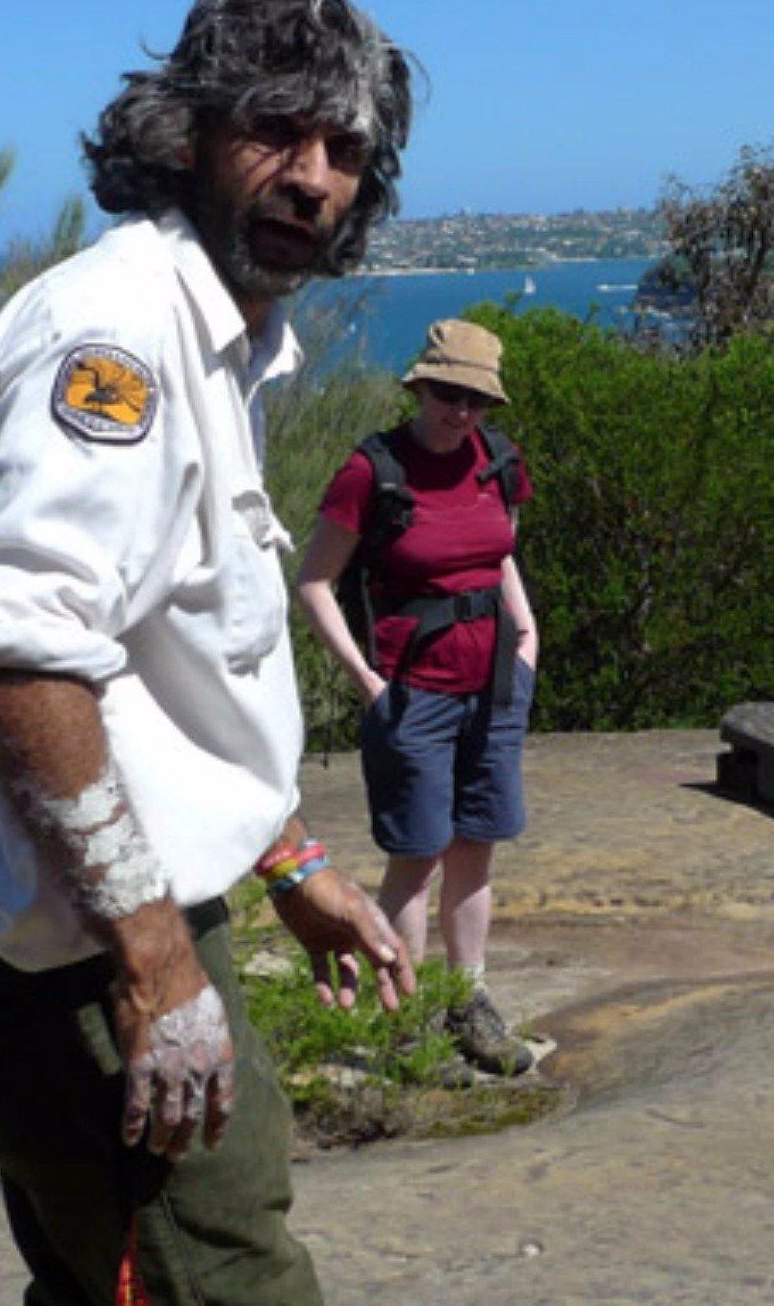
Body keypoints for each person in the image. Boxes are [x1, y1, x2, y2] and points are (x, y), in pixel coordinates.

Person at [0, 0, 419, 1306]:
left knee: (98, 1280)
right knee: (219, 1275)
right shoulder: (116, 333)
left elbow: (179, 668)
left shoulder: (226, 338)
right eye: (276, 131)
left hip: (104, 919)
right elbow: (19, 645)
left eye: (344, 151)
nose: (311, 179)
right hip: (72, 953)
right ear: (184, 135)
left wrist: (286, 859)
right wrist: (154, 963)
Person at [293, 318, 540, 1077]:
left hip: (494, 684)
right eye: (444, 393)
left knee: (477, 846)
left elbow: (499, 552)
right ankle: (411, 1022)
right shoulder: (374, 472)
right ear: (418, 386)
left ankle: (468, 1003)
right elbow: (314, 582)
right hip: (413, 693)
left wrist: (526, 638)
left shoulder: (498, 463)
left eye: (473, 399)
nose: (457, 411)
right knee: (417, 855)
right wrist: (369, 684)